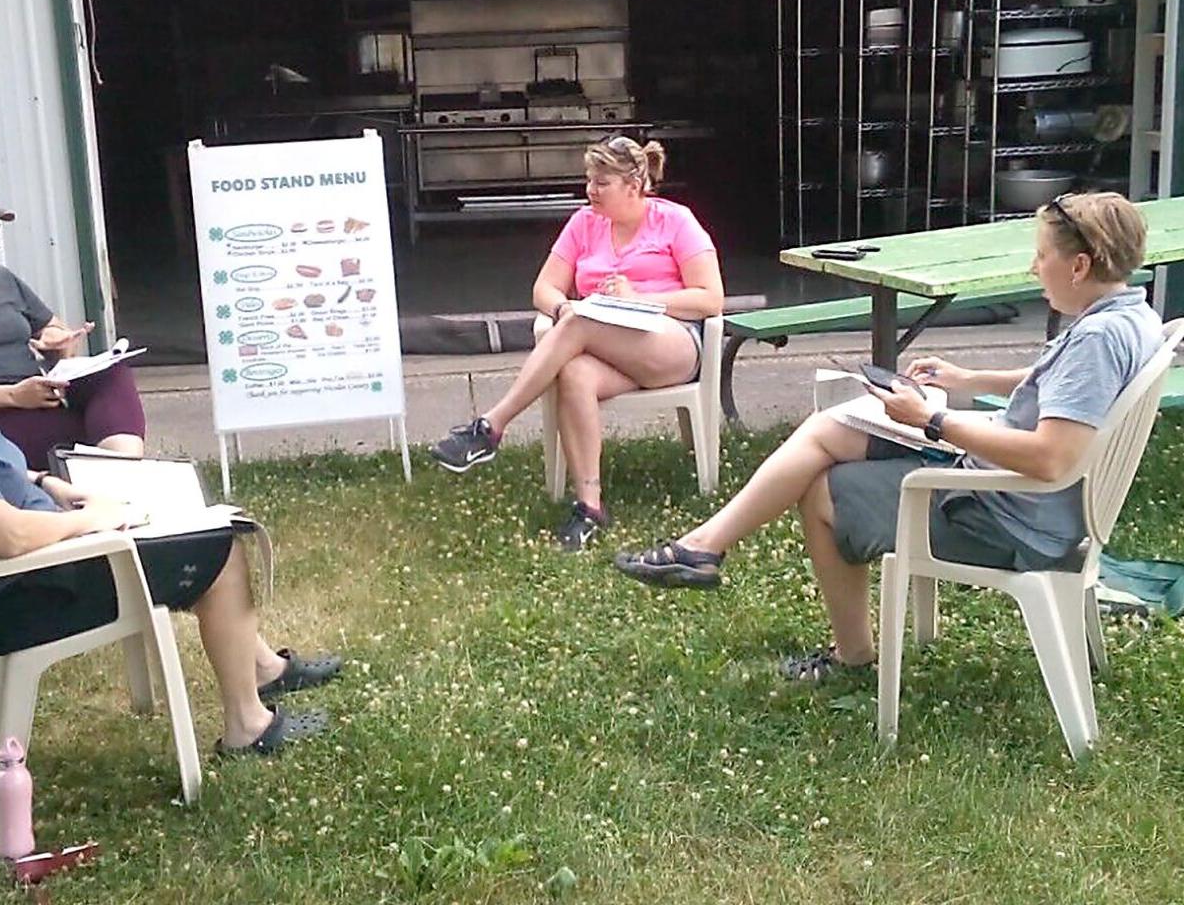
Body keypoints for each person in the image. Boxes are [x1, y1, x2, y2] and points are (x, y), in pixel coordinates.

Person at [616, 192, 1161, 681]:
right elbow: (1061, 386)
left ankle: (845, 651)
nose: (1034, 267)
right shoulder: (1128, 317)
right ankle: (703, 547)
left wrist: (933, 421)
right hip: (1028, 505)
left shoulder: (1096, 340)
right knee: (835, 429)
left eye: (1042, 256)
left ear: (1080, 264)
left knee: (822, 489)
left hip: (1008, 520)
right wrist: (969, 380)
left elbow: (1049, 457)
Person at [0, 238, 342, 754]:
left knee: (182, 513)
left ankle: (260, 668)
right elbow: (6, 534)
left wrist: (49, 484)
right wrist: (92, 519)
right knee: (223, 545)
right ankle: (247, 725)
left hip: (32, 566)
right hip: (28, 591)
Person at [430, 136, 724, 550]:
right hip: (603, 340)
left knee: (582, 321)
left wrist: (641, 299)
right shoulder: (584, 223)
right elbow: (544, 288)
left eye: (602, 182)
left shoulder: (675, 221)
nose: (590, 191)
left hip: (672, 341)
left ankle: (491, 427)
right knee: (573, 370)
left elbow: (711, 298)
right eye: (589, 180)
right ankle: (590, 507)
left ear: (634, 184)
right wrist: (562, 310)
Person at [0, 172, 147, 471]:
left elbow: (49, 324)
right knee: (62, 436)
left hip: (38, 392)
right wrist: (13, 396)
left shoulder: (0, 278)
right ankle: (110, 479)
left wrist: (57, 340)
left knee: (113, 372)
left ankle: (125, 473)